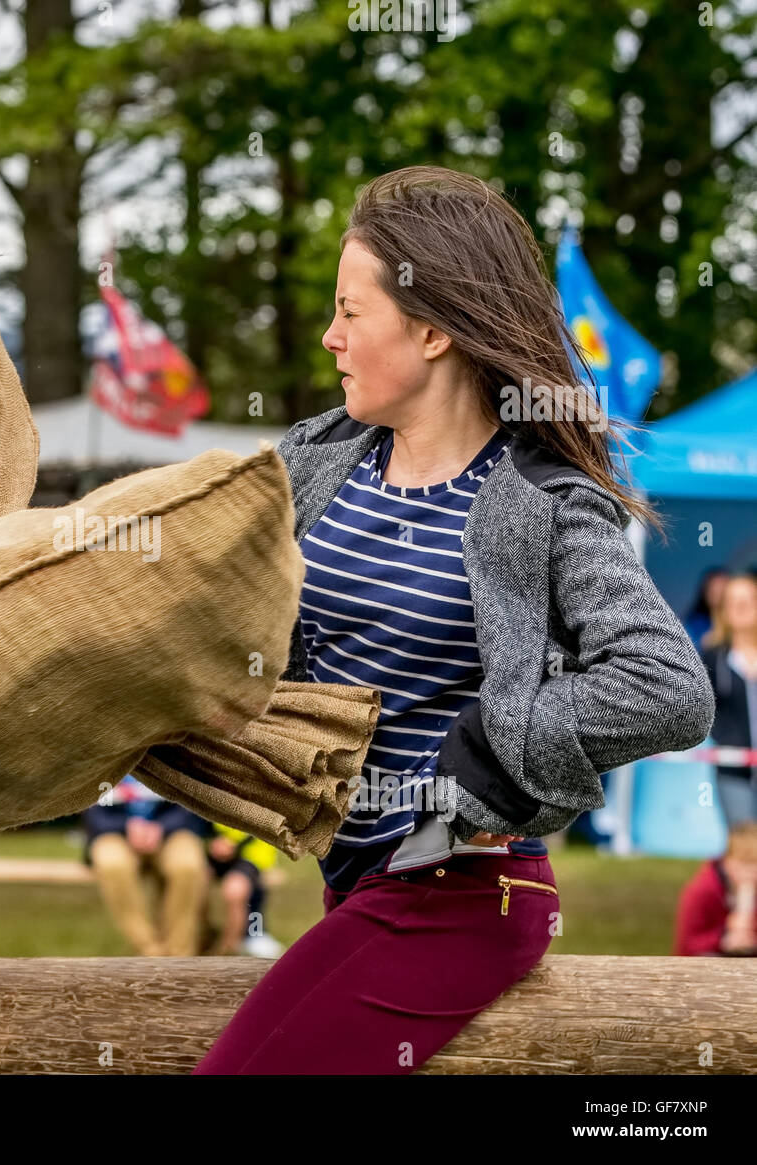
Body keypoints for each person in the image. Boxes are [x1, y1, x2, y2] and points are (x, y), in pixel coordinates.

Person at [195, 166, 714, 1075]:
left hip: (471, 892)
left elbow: (669, 689)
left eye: (352, 313)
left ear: (432, 328)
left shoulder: (545, 499)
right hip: (354, 884)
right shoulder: (316, 461)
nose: (330, 337)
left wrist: (494, 748)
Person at [82, 774, 210, 956]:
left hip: (172, 830)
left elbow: (191, 803)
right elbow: (93, 813)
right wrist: (127, 826)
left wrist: (162, 827)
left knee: (187, 865)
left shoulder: (176, 751)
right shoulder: (101, 758)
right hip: (115, 831)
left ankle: (179, 953)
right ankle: (149, 950)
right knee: (113, 864)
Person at [700, 572, 757, 826]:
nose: (742, 607)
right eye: (735, 601)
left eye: (749, 600)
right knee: (743, 843)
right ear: (724, 609)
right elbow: (702, 706)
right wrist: (724, 739)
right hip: (732, 767)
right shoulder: (713, 656)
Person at [674, 822, 757, 956]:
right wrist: (723, 936)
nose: (752, 872)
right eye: (745, 863)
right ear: (727, 860)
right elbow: (688, 945)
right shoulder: (702, 891)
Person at [206, 823, 284, 958]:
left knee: (237, 888)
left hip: (250, 855)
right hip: (212, 850)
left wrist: (232, 843)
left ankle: (235, 946)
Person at [684, 567, 731, 652]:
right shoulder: (694, 624)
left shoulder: (741, 620)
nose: (719, 598)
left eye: (723, 592)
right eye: (714, 592)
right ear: (705, 593)